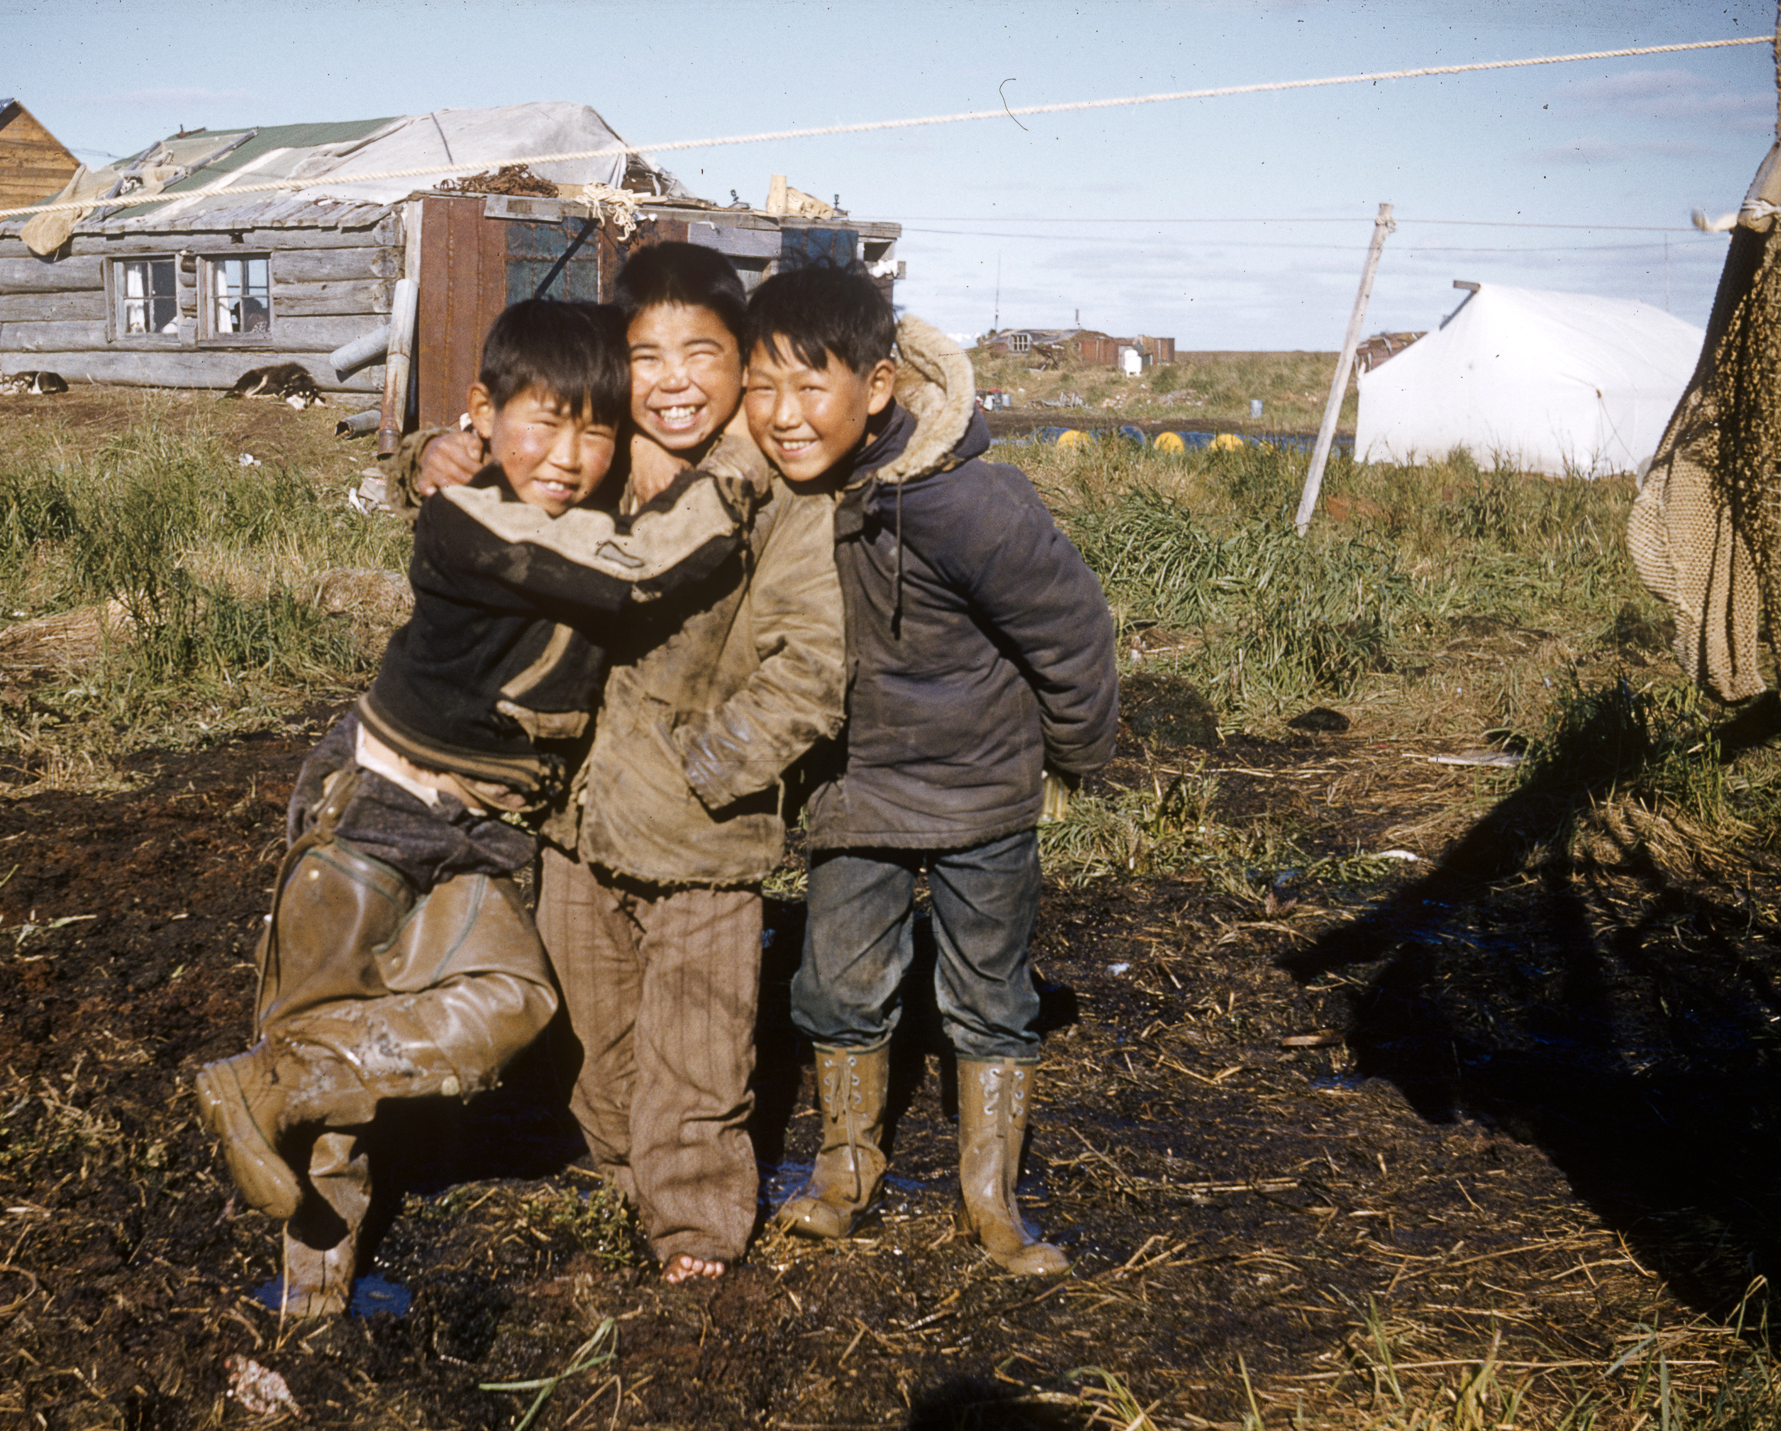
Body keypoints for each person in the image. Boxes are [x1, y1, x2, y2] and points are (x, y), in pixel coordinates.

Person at [195, 298, 744, 1317]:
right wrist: (740, 474)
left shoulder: (567, 506)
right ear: (483, 413)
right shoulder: (474, 517)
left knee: (512, 1002)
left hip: (487, 824)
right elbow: (634, 580)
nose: (573, 454)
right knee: (330, 1027)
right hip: (380, 799)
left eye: (597, 428)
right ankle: (309, 1306)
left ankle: (276, 1079)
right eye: (548, 421)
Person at [402, 244, 846, 1283]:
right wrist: (437, 449)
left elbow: (812, 666)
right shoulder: (591, 464)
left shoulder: (780, 499)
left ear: (745, 363)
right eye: (647, 356)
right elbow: (488, 475)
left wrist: (709, 771)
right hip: (575, 820)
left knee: (698, 1051)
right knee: (595, 1041)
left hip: (702, 831)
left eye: (706, 353)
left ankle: (694, 1230)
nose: (676, 381)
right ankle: (617, 1175)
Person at [746, 265, 1120, 1277]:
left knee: (989, 993)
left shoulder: (972, 502)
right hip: (851, 792)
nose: (780, 416)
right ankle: (844, 1171)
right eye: (760, 388)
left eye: (806, 386)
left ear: (877, 385)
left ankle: (990, 1198)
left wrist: (1078, 757)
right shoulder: (779, 495)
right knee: (838, 984)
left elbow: (1069, 630)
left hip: (981, 793)